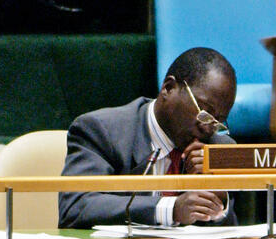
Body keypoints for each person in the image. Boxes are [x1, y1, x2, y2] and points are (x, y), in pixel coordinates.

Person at [59, 47, 238, 228]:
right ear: (169, 88)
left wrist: (218, 202)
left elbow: (231, 238)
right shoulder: (102, 131)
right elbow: (76, 207)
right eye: (204, 112)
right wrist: (170, 209)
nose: (207, 128)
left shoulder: (216, 148)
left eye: (218, 121)